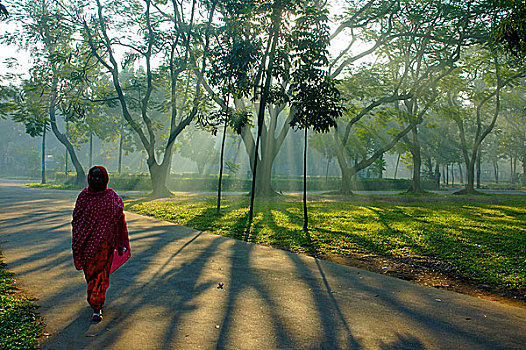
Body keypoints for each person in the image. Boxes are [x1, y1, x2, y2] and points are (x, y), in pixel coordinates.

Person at [72, 166, 130, 322]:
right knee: (90, 274)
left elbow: (119, 218)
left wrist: (120, 240)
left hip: (105, 243)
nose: (96, 180)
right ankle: (95, 297)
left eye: (99, 177)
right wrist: (79, 237)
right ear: (89, 178)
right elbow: (77, 219)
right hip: (85, 243)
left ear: (105, 179)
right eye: (93, 177)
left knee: (100, 274)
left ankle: (96, 307)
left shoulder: (111, 197)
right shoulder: (84, 196)